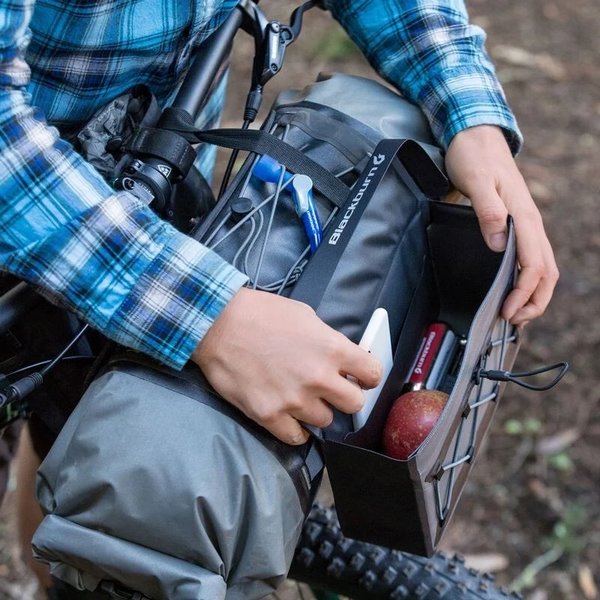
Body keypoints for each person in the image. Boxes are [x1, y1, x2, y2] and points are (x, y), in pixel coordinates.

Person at [0, 0, 559, 597]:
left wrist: (467, 111)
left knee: (91, 442)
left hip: (151, 206)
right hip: (44, 219)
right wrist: (213, 316)